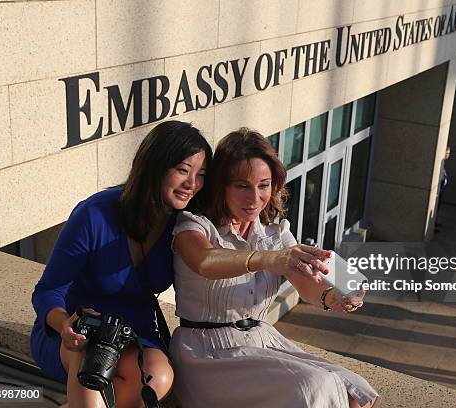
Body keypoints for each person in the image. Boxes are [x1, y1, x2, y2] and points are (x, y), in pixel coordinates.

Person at [170, 128, 378, 408]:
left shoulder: (274, 232)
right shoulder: (194, 226)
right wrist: (268, 259)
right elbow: (205, 262)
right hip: (207, 353)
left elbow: (305, 281)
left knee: (356, 393)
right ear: (221, 186)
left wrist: (334, 297)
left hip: (261, 340)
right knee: (315, 386)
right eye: (242, 186)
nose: (254, 198)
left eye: (263, 185)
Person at [30, 121, 213, 407]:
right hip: (75, 333)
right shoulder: (95, 213)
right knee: (89, 362)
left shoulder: (183, 226)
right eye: (182, 170)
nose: (192, 184)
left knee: (159, 377)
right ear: (154, 166)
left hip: (134, 332)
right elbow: (47, 290)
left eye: (200, 175)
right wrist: (66, 324)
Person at [435, 146, 450, 233]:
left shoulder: (443, 162)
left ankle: (435, 222)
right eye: (448, 153)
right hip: (439, 189)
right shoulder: (441, 163)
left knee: (438, 206)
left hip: (441, 188)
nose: (449, 155)